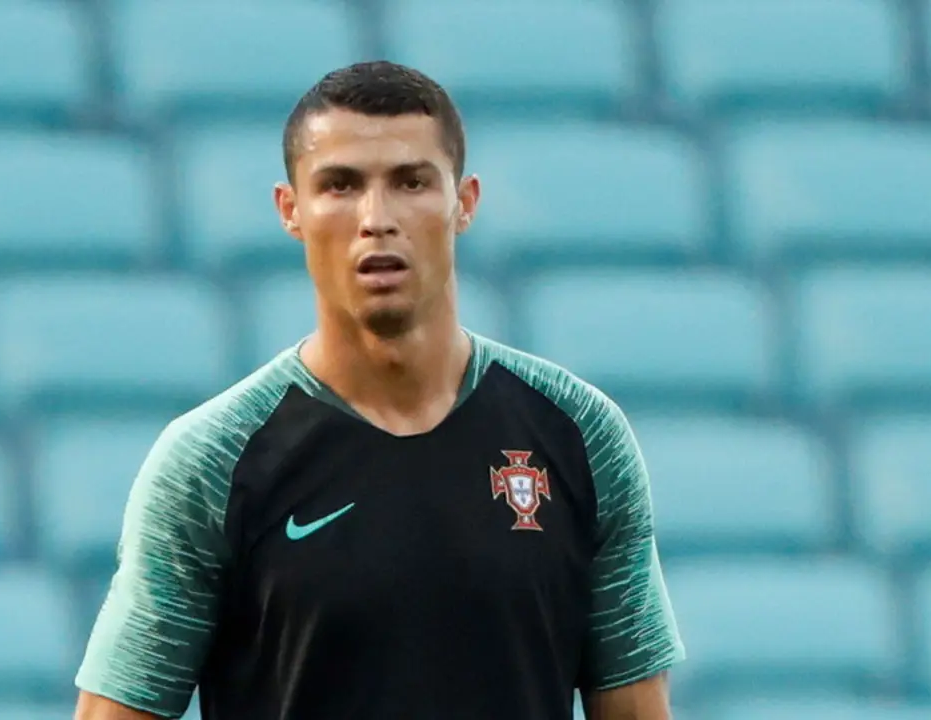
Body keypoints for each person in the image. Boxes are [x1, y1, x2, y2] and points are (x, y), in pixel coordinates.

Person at [73, 60, 685, 720]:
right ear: (291, 210)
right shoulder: (212, 461)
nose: (376, 218)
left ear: (465, 202)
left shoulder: (578, 433)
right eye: (339, 185)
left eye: (411, 182)